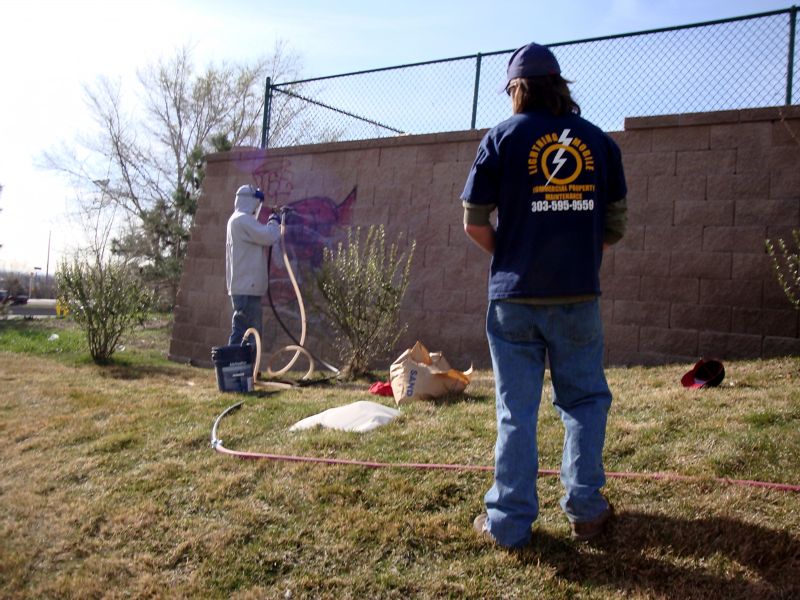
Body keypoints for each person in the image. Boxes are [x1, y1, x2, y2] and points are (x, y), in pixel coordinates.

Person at [461, 42, 628, 548]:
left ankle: (509, 524)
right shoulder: (598, 142)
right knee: (584, 402)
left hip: (513, 298)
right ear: (560, 86)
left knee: (516, 410)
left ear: (517, 89)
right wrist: (576, 252)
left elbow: (473, 221)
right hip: (578, 294)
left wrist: (509, 253)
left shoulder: (501, 137)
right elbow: (615, 226)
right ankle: (587, 510)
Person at [226, 184, 281, 346]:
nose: (257, 208)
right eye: (256, 203)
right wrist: (273, 221)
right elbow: (269, 236)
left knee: (244, 332)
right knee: (249, 334)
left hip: (242, 287)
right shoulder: (242, 220)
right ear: (249, 201)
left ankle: (240, 368)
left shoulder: (235, 220)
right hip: (246, 289)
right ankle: (239, 368)